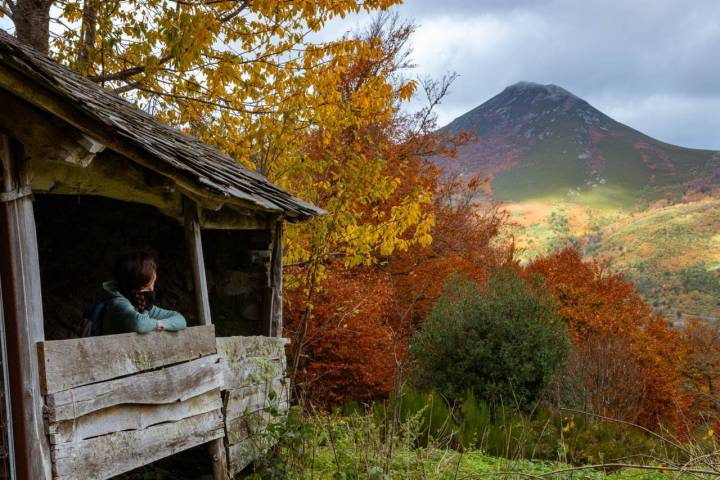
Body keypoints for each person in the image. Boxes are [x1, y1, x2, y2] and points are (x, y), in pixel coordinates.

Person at [101, 251, 187, 334]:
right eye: (151, 281)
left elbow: (180, 320)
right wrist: (157, 323)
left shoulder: (137, 300)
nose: (151, 289)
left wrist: (159, 324)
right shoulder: (118, 303)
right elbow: (140, 324)